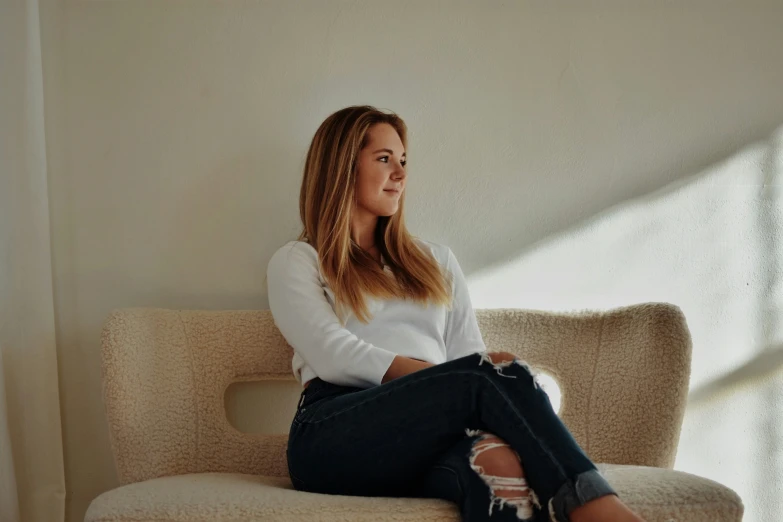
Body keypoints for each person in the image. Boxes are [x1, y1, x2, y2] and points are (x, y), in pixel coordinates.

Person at [266, 105, 645, 522]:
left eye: (404, 161)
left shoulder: (435, 261)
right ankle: (597, 508)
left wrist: (458, 386)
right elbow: (333, 355)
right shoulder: (299, 260)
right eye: (384, 159)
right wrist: (448, 381)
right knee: (492, 372)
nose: (401, 174)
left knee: (496, 461)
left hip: (432, 431)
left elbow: (469, 355)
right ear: (341, 167)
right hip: (334, 433)